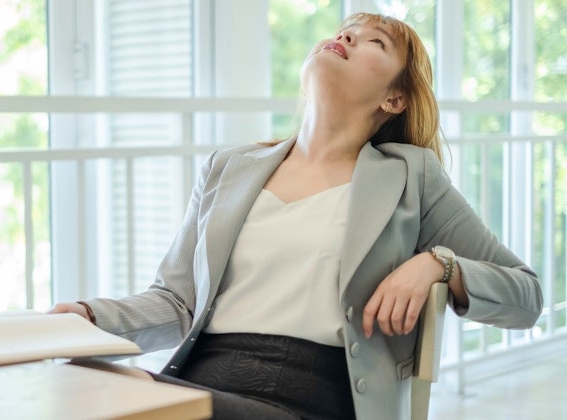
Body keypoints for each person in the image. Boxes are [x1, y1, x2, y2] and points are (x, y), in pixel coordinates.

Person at [50, 12, 543, 419]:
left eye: (374, 41)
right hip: (201, 384)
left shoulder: (411, 176)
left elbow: (526, 296)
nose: (346, 37)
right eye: (344, 30)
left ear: (394, 99)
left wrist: (440, 264)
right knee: (76, 382)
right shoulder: (228, 168)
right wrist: (89, 318)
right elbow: (177, 303)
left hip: (314, 399)